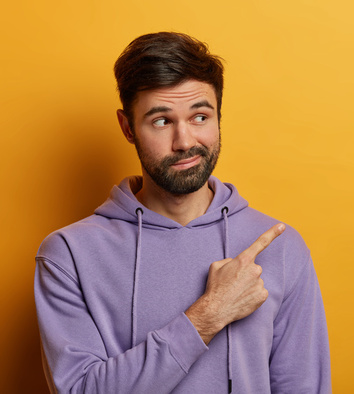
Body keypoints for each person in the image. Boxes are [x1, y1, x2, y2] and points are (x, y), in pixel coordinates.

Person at [34, 32, 331, 393]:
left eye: (200, 116)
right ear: (128, 128)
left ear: (218, 117)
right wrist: (210, 313)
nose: (186, 141)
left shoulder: (278, 247)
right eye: (161, 121)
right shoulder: (68, 254)